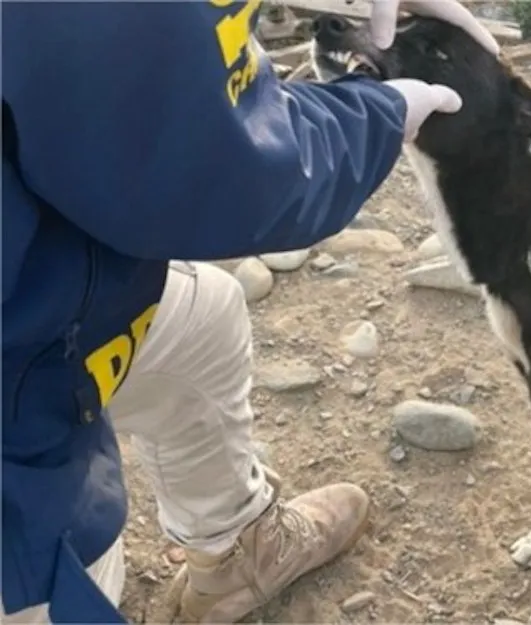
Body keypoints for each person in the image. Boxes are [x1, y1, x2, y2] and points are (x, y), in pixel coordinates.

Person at [1, 0, 499, 622]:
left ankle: (237, 552)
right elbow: (209, 168)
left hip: (26, 289)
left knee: (204, 320)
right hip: (13, 413)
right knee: (73, 581)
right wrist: (378, 114)